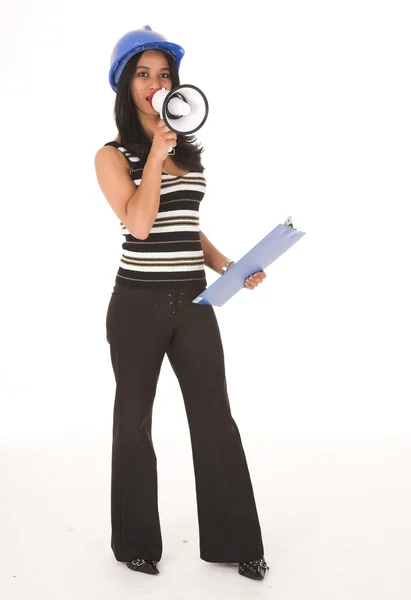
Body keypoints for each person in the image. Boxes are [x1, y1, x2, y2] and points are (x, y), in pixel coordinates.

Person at [94, 25, 269, 581]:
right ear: (126, 85)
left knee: (216, 419)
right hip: (137, 305)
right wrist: (153, 157)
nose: (155, 83)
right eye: (143, 74)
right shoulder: (111, 154)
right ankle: (136, 544)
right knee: (133, 423)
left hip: (194, 303)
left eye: (163, 74)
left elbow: (186, 226)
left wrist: (230, 266)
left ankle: (238, 541)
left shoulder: (188, 149)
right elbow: (141, 223)